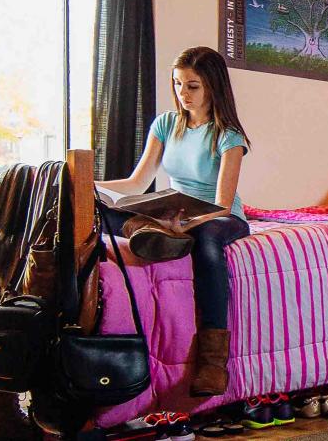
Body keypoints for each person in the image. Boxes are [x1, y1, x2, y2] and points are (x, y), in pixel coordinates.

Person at [96, 46, 252, 397]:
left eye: (192, 85)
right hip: (175, 213)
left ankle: (213, 363)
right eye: (178, 84)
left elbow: (223, 205)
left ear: (213, 86)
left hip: (217, 217)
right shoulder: (166, 124)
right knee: (105, 209)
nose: (184, 93)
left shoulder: (228, 136)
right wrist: (88, 184)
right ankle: (157, 233)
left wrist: (190, 222)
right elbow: (137, 183)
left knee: (208, 241)